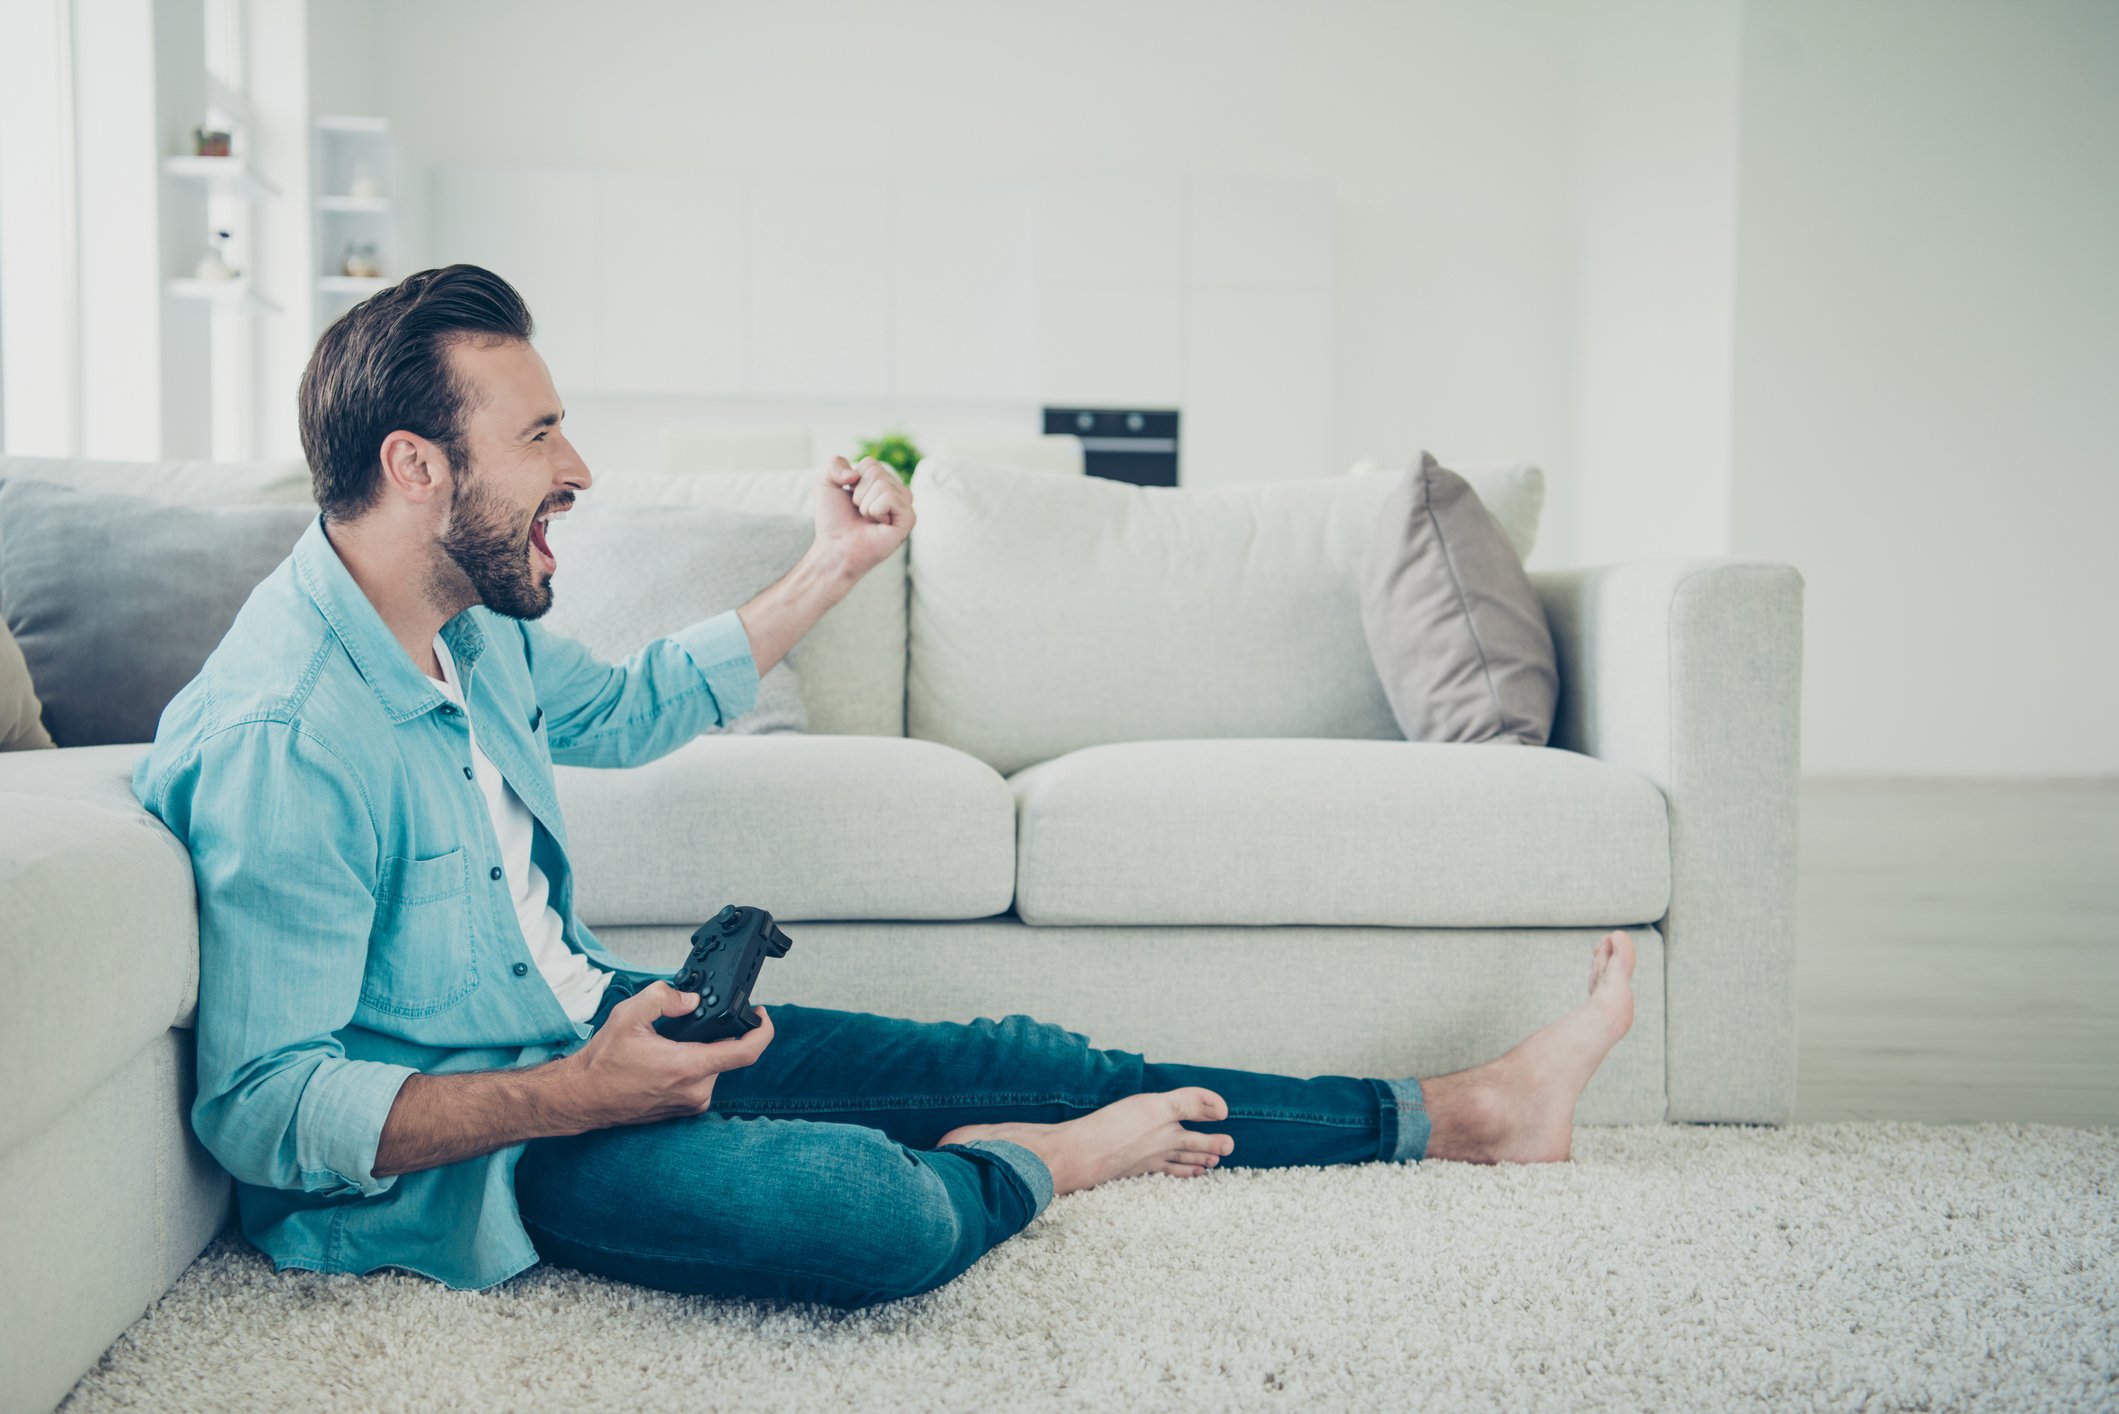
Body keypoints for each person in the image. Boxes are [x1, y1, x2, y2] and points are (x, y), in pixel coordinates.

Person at [134, 264, 1639, 1310]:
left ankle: (1460, 1111)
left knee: (1021, 1046)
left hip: (593, 1030)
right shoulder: (290, 735)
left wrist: (832, 568)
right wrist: (576, 1093)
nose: (578, 464)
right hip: (496, 1163)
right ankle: (1051, 1167)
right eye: (536, 435)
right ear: (413, 465)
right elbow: (268, 1111)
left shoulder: (465, 625)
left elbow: (635, 703)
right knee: (872, 1211)